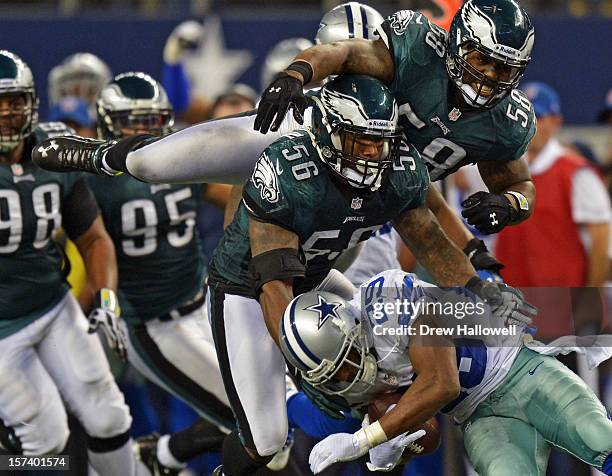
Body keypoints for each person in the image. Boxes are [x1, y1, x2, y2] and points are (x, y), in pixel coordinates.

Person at [204, 75, 530, 476]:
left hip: (322, 277)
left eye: (380, 142)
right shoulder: (287, 167)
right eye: (360, 142)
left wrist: (479, 286)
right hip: (248, 286)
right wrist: (305, 367)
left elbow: (431, 238)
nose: (372, 154)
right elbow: (272, 283)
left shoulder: (396, 168)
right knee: (267, 438)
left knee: (380, 403)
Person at [280, 270, 612, 475]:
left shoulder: (387, 303)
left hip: (518, 369)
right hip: (479, 416)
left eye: (346, 361)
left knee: (598, 436)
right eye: (336, 375)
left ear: (351, 329)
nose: (348, 376)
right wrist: (389, 454)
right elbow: (424, 432)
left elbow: (442, 383)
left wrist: (366, 437)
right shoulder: (356, 373)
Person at [0, 50, 148, 476]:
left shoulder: (52, 148)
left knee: (109, 416)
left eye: (16, 100)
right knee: (43, 443)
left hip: (52, 305)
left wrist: (106, 300)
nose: (8, 112)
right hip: (2, 330)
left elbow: (94, 238)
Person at [87, 72, 235, 475]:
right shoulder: (95, 181)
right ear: (108, 124)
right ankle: (166, 454)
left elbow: (239, 192)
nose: (144, 132)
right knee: (258, 426)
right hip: (154, 324)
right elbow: (87, 244)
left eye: (153, 122)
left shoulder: (180, 160)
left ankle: (165, 454)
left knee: (262, 413)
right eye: (133, 122)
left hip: (203, 305)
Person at [495, 82, 611, 289]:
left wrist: (589, 298)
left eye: (537, 117)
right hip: (511, 302)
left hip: (563, 306)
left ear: (556, 121)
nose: (528, 125)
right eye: (521, 116)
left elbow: (601, 238)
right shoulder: (497, 168)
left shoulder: (577, 173)